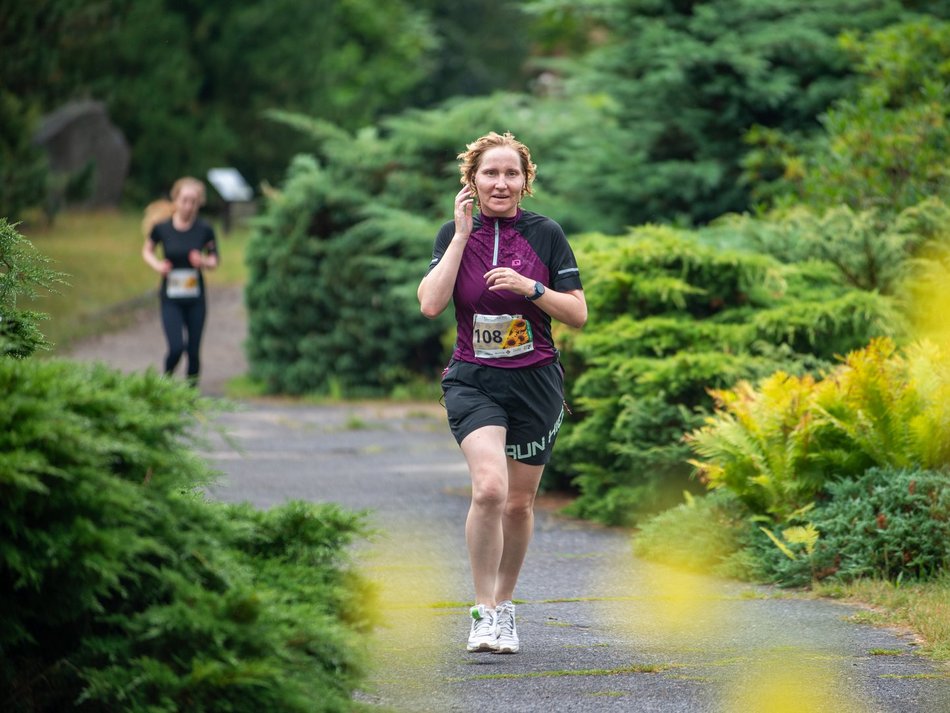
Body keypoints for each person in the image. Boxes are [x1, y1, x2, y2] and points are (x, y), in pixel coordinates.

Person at [417, 131, 587, 654]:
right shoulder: (453, 231)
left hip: (536, 381)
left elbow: (578, 314)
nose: (500, 182)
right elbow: (429, 304)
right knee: (489, 488)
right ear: (472, 179)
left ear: (525, 180)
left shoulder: (547, 234)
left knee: (518, 502)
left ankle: (506, 606)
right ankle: (483, 610)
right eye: (490, 173)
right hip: (473, 379)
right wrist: (461, 237)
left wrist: (530, 288)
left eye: (511, 173)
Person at [141, 176, 219, 385]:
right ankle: (164, 385)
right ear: (176, 199)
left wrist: (202, 261)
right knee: (176, 347)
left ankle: (190, 396)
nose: (188, 206)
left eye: (193, 202)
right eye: (185, 200)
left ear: (199, 203)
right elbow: (147, 251)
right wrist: (158, 265)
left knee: (193, 351)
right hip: (171, 297)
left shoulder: (204, 229)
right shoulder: (162, 228)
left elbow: (214, 260)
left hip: (196, 298)